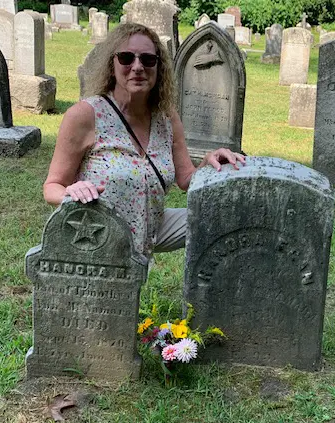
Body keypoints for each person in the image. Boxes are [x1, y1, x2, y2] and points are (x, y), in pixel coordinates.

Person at [44, 23, 245, 257]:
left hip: (153, 227)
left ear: (159, 67)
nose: (137, 67)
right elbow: (51, 188)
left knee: (223, 218)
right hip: (98, 232)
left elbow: (186, 179)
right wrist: (71, 192)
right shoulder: (85, 115)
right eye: (127, 58)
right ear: (112, 65)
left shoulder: (167, 117)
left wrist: (210, 162)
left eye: (148, 60)